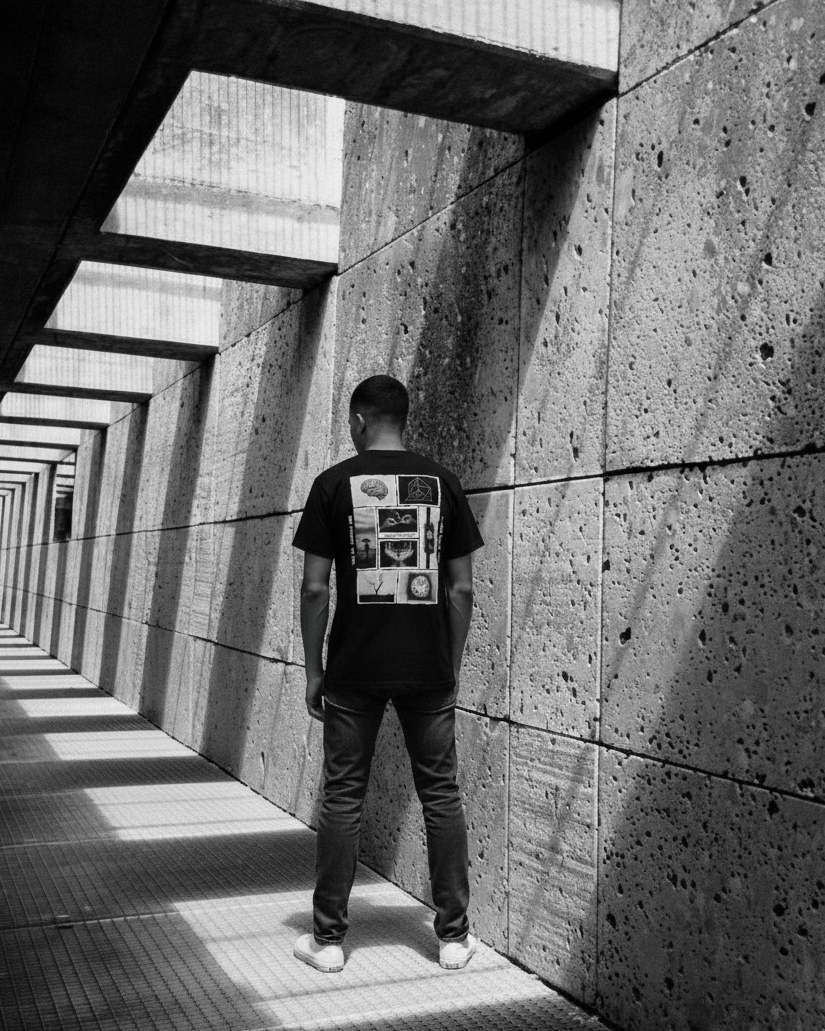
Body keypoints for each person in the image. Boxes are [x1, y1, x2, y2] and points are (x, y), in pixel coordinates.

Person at [291, 374, 484, 973]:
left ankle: (327, 943)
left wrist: (314, 669)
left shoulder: (331, 485)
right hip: (428, 670)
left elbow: (315, 587)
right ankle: (453, 936)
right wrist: (446, 666)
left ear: (356, 421)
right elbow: (462, 589)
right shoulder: (443, 484)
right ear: (404, 419)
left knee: (343, 797)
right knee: (441, 794)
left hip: (353, 668)